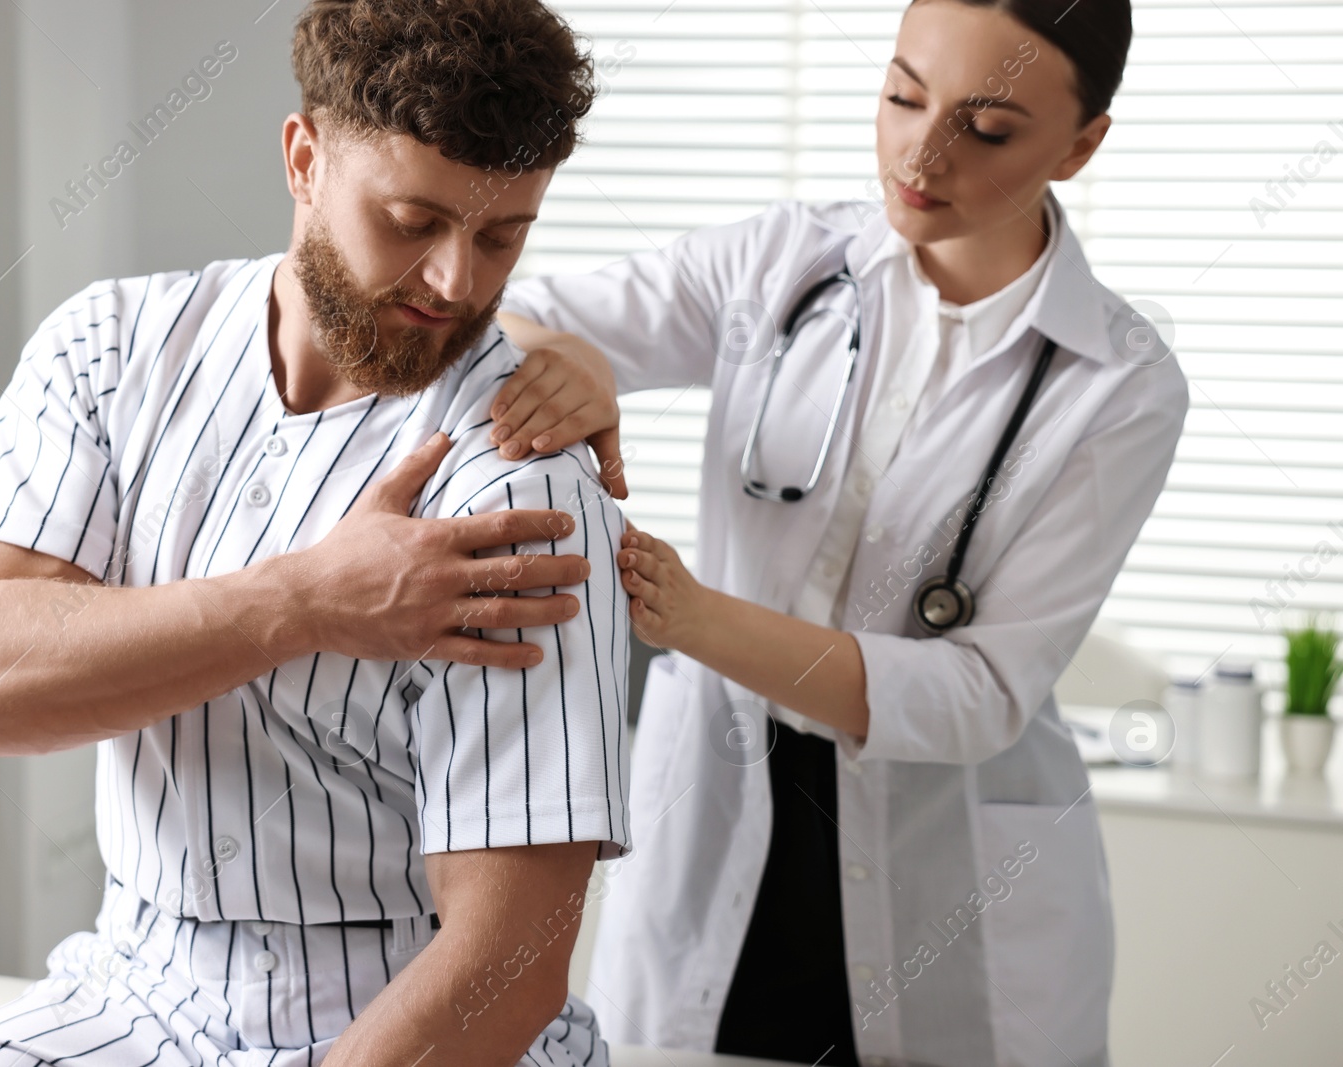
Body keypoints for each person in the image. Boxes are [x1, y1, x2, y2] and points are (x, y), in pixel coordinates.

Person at [0, 2, 632, 1065]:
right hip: (133, 987)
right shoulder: (111, 352)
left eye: (501, 236)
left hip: (406, 1024)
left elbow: (507, 965)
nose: (456, 283)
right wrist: (304, 600)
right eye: (414, 220)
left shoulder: (518, 481)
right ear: (304, 158)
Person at [491, 1, 1187, 1064]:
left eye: (988, 127)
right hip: (719, 817)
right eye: (903, 94)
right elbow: (495, 314)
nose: (922, 149)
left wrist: (693, 616)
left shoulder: (1118, 383)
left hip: (948, 870)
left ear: (1081, 143)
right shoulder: (781, 263)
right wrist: (568, 360)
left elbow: (979, 692)